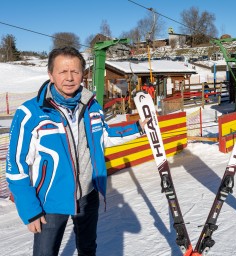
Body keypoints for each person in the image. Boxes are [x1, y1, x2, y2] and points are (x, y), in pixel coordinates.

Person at [6, 46, 147, 256]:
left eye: (75, 71)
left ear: (83, 74)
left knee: (88, 248)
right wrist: (30, 210)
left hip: (87, 194)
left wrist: (138, 128)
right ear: (51, 75)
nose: (70, 78)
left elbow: (104, 136)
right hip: (49, 202)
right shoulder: (31, 112)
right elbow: (16, 166)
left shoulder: (91, 105)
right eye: (63, 71)